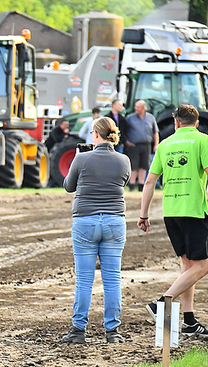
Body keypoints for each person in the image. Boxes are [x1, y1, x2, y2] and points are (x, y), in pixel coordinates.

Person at [139, 105, 208, 337]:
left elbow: (149, 183)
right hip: (193, 211)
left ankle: (189, 320)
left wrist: (144, 215)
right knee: (203, 266)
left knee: (188, 265)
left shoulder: (164, 144)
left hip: (171, 211)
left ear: (176, 123)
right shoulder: (202, 140)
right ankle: (162, 302)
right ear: (196, 123)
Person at [61, 117, 131, 344]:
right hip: (114, 221)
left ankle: (78, 330)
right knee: (112, 279)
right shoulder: (124, 160)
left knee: (84, 279)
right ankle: (113, 331)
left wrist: (78, 159)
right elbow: (122, 182)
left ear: (95, 135)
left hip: (85, 221)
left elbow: (68, 186)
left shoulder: (81, 158)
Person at [125, 100, 159, 191]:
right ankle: (131, 185)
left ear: (143, 108)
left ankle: (141, 185)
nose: (136, 109)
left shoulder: (150, 118)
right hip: (134, 145)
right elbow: (124, 131)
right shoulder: (130, 118)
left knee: (144, 166)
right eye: (136, 107)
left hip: (146, 144)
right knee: (134, 166)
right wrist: (127, 142)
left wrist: (156, 144)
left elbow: (155, 132)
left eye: (138, 107)